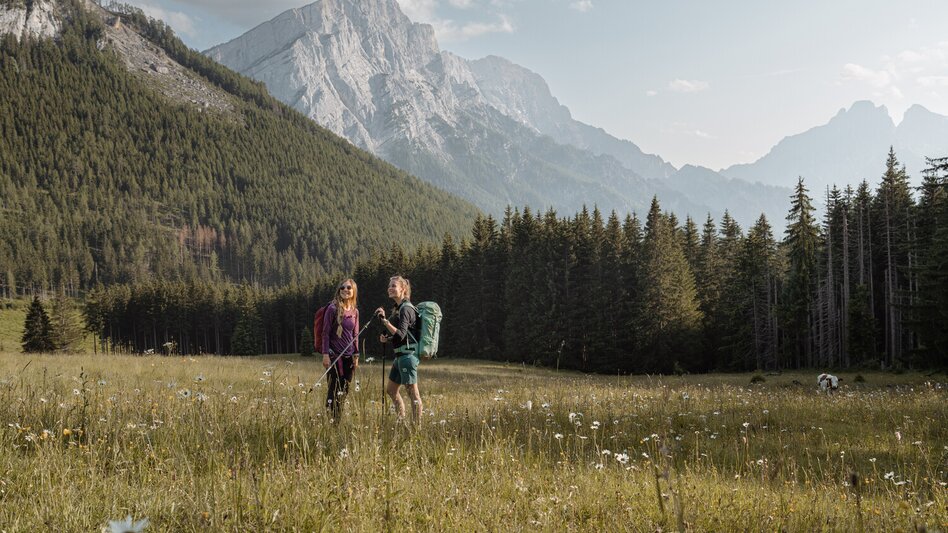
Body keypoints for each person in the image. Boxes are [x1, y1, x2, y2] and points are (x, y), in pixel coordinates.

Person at [376, 275, 422, 421]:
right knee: (391, 390)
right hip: (400, 356)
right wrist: (388, 338)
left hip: (408, 357)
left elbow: (401, 334)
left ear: (403, 289)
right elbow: (401, 336)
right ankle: (401, 421)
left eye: (394, 286)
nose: (390, 288)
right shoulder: (399, 309)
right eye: (389, 285)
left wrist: (385, 322)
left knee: (413, 394)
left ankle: (416, 429)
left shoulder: (406, 309)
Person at [322, 279, 360, 418]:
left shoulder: (355, 312)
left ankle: (338, 419)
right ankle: (331, 420)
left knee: (344, 390)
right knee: (333, 389)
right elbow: (325, 333)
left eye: (349, 287)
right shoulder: (332, 309)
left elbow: (355, 334)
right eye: (342, 287)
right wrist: (325, 354)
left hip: (349, 358)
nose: (345, 290)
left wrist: (356, 355)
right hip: (333, 356)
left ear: (353, 291)